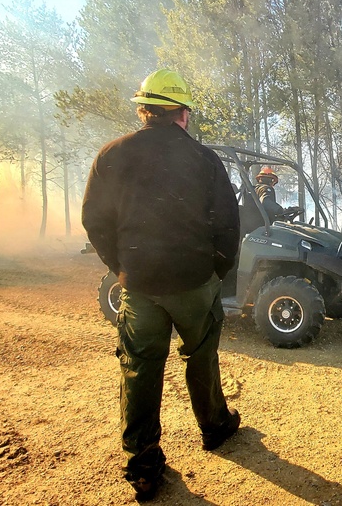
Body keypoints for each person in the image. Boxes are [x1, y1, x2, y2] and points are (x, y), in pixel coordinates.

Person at [81, 69, 242, 502]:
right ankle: (214, 427)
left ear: (145, 109)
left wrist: (122, 267)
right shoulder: (205, 160)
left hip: (140, 284)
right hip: (194, 282)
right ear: (181, 114)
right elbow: (228, 224)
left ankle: (144, 465)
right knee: (202, 353)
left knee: (139, 367)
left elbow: (95, 221)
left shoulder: (111, 154)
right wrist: (218, 272)